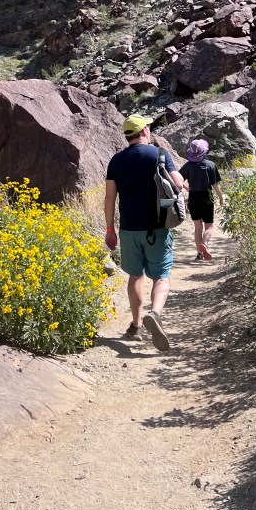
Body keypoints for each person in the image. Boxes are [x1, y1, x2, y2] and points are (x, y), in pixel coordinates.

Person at [104, 114, 185, 351]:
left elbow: (110, 198)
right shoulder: (159, 155)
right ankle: (155, 314)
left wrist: (110, 229)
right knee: (161, 276)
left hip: (128, 229)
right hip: (156, 227)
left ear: (128, 135)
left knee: (135, 275)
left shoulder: (116, 161)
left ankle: (136, 325)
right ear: (145, 132)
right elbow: (177, 184)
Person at [179, 138, 224, 262]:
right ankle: (205, 243)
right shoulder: (210, 165)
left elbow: (177, 179)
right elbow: (215, 185)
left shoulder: (188, 166)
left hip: (193, 197)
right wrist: (221, 197)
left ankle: (199, 254)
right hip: (206, 197)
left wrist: (187, 187)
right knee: (209, 227)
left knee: (197, 227)